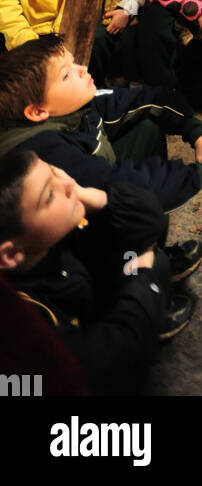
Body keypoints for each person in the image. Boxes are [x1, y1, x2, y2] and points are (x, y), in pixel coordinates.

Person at [0, 150, 191, 394]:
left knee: (137, 232)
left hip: (86, 306)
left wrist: (95, 197)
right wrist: (141, 278)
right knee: (152, 267)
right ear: (10, 255)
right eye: (49, 195)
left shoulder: (47, 241)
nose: (68, 183)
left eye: (55, 173)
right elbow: (111, 359)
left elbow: (148, 220)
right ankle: (148, 320)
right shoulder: (26, 322)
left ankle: (147, 316)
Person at [0, 35, 202, 213]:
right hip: (67, 252)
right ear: (38, 111)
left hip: (96, 192)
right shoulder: (46, 153)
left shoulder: (77, 105)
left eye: (73, 63)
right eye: (66, 75)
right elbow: (124, 189)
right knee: (147, 250)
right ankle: (135, 268)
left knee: (146, 126)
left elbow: (155, 97)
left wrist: (200, 137)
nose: (81, 70)